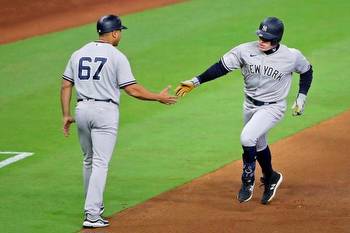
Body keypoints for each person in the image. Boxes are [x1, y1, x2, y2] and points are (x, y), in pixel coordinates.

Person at [175, 17, 313, 205]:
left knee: (247, 138)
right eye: (260, 36)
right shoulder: (244, 50)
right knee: (258, 143)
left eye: (267, 38)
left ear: (277, 39)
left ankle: (247, 181)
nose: (261, 41)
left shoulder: (291, 56)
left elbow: (307, 71)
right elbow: (220, 67)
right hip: (249, 105)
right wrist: (196, 81)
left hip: (273, 106)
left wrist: (301, 98)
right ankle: (271, 176)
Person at [60, 15, 177, 228]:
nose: (120, 35)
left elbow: (66, 85)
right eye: (119, 31)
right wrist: (158, 97)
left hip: (82, 109)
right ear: (114, 33)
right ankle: (92, 214)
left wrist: (66, 114)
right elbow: (132, 89)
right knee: (100, 163)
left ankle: (92, 205)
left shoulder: (78, 53)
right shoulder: (116, 56)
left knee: (88, 160)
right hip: (104, 112)